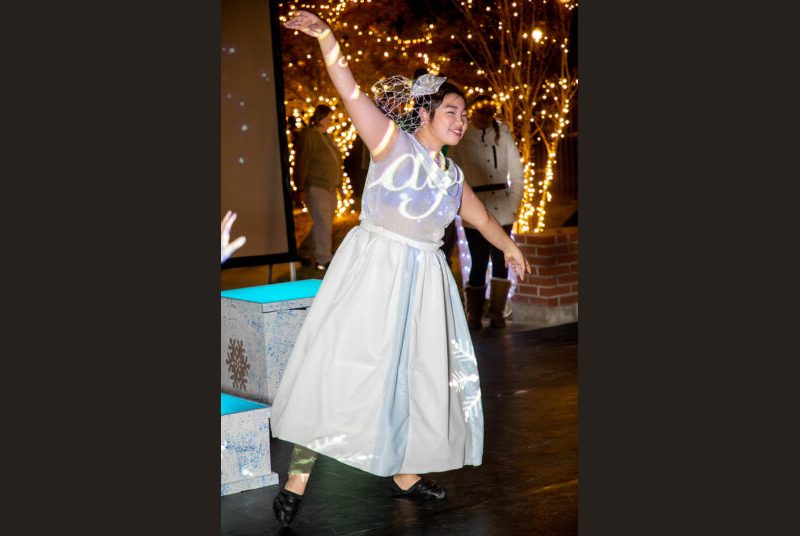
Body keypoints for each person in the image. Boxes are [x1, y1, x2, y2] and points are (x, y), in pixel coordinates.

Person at [270, 10, 531, 527]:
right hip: (375, 273)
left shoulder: (453, 174)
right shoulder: (391, 143)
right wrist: (326, 36)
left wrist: (508, 246)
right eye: (451, 111)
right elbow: (349, 92)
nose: (460, 120)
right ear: (428, 112)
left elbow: (479, 218)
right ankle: (298, 476)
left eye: (463, 114)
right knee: (343, 371)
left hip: (424, 283)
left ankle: (406, 473)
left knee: (419, 377)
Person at [447, 96, 525, 329]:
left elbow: (517, 174)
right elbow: (452, 171)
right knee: (478, 260)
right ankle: (474, 313)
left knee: (502, 259)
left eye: (489, 113)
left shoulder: (503, 135)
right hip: (475, 207)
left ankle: (497, 312)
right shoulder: (462, 137)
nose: (485, 117)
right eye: (481, 112)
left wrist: (514, 203)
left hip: (502, 207)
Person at [295, 104, 342, 270]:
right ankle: (324, 260)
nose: (330, 120)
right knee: (323, 223)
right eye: (328, 117)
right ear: (319, 117)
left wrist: (340, 186)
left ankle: (303, 252)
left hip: (330, 187)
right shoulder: (309, 135)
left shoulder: (327, 137)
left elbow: (336, 162)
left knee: (322, 223)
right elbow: (302, 161)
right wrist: (300, 188)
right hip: (316, 186)